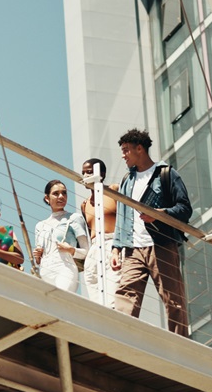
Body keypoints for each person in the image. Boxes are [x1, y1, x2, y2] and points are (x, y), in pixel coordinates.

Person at [110, 129, 192, 336]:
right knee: (124, 294)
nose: (123, 155)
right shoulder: (126, 181)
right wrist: (116, 248)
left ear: (140, 148)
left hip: (161, 245)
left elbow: (184, 208)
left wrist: (160, 214)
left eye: (126, 150)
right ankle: (122, 340)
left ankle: (180, 343)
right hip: (132, 249)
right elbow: (122, 215)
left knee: (173, 299)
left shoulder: (166, 174)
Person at [33, 180, 88, 292]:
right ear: (47, 198)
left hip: (65, 267)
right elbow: (38, 261)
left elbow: (87, 251)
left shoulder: (74, 218)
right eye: (56, 193)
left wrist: (71, 250)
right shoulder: (40, 225)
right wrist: (37, 255)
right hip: (45, 270)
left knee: (62, 298)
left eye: (64, 193)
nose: (61, 196)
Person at [80, 158, 118, 308]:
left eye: (89, 172)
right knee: (95, 297)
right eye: (83, 173)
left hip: (112, 244)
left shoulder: (114, 190)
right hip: (94, 249)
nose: (86, 176)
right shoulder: (85, 203)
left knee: (112, 299)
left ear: (101, 173)